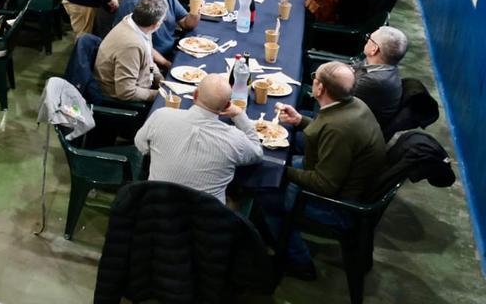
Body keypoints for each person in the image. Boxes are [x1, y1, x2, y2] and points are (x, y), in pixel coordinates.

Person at [264, 62, 388, 278]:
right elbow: (327, 131)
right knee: (275, 168)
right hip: (338, 177)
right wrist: (300, 121)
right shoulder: (352, 104)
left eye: (315, 77)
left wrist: (280, 170)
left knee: (263, 196)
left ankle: (298, 261)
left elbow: (324, 184)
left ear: (320, 88)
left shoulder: (339, 129)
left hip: (336, 206)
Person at [134, 73, 263, 202]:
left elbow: (140, 145)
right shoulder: (235, 139)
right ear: (227, 105)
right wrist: (239, 114)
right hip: (205, 219)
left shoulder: (161, 116)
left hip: (153, 211)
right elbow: (257, 153)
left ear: (195, 95)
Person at [116, 0, 199, 67]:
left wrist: (195, 11)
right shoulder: (136, 2)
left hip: (172, 50)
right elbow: (139, 44)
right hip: (152, 61)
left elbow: (186, 24)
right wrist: (168, 64)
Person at [94, 0, 167, 103]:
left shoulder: (137, 23)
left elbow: (149, 61)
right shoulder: (131, 46)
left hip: (143, 82)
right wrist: (160, 96)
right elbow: (126, 92)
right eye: (163, 19)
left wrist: (161, 81)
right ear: (155, 25)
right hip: (121, 100)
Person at [350, 26, 408, 131]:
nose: (367, 40)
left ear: (374, 49)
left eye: (369, 38)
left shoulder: (374, 81)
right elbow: (354, 68)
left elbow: (338, 101)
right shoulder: (384, 65)